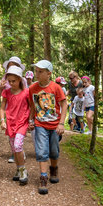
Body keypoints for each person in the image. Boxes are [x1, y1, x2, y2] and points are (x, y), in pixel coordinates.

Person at [28, 60, 67, 195]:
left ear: (48, 73)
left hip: (55, 125)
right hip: (40, 124)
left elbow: (64, 105)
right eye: (36, 71)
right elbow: (33, 106)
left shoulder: (56, 88)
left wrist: (61, 123)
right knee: (41, 151)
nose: (36, 74)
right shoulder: (32, 88)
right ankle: (43, 177)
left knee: (54, 151)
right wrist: (31, 120)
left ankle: (54, 169)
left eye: (40, 72)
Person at [0, 65, 30, 185]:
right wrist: (2, 120)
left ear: (20, 80)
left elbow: (32, 107)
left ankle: (23, 170)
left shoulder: (26, 92)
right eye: (9, 81)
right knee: (13, 148)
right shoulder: (6, 92)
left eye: (14, 81)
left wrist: (31, 121)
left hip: (22, 122)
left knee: (18, 146)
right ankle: (18, 169)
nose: (11, 83)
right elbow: (2, 108)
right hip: (10, 122)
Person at [0, 56, 27, 163]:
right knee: (13, 141)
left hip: (21, 114)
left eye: (14, 65)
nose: (11, 83)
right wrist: (0, 88)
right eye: (10, 65)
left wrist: (29, 118)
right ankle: (16, 155)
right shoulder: (4, 80)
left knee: (17, 143)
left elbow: (26, 97)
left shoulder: (23, 82)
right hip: (10, 113)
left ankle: (19, 157)